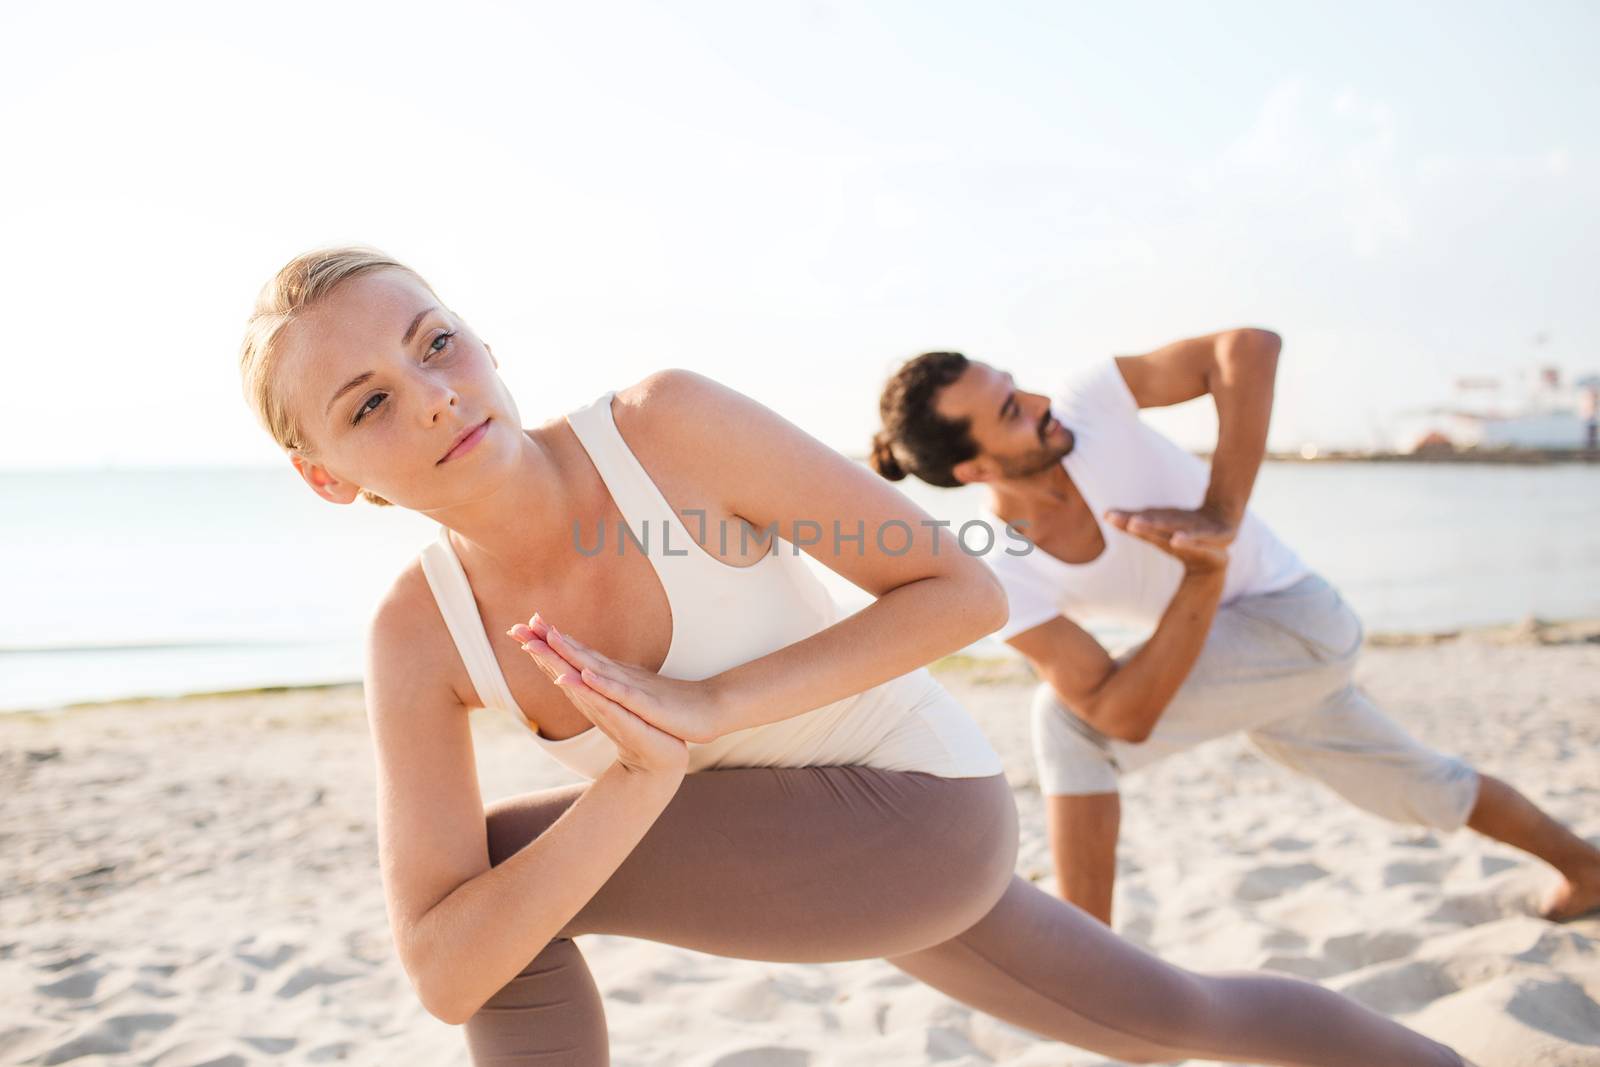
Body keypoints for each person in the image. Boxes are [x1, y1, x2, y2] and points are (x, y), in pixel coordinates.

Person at [239, 249, 1473, 1066]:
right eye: (367, 406)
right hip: (797, 850)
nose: (433, 396)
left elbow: (959, 583)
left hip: (919, 810)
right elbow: (445, 972)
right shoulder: (415, 634)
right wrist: (639, 772)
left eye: (434, 344)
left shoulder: (666, 431)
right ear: (323, 477)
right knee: (1174, 1017)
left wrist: (700, 710)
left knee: (508, 876)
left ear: (484, 342)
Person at [868, 337, 1600, 927]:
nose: (1037, 401)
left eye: (1017, 385)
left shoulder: (1091, 404)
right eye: (1011, 411)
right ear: (976, 467)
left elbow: (1248, 350)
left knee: (1065, 728)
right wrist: (1202, 578)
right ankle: (1587, 867)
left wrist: (1219, 517)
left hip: (1294, 621)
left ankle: (1088, 962)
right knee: (1425, 787)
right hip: (1239, 652)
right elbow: (1125, 712)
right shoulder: (1005, 565)